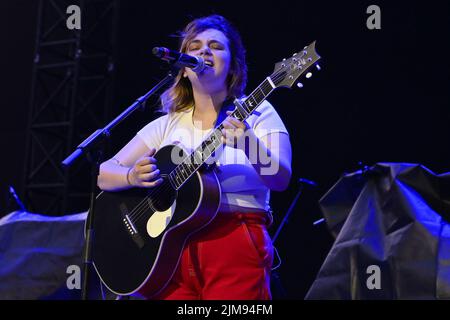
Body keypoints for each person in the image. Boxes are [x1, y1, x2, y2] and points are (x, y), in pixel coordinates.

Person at [97, 14, 292, 300]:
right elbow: (104, 173)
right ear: (184, 68)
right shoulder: (167, 124)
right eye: (195, 46)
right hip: (169, 251)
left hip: (234, 242)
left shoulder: (259, 114)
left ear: (232, 65)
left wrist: (249, 143)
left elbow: (280, 178)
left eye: (216, 46)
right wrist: (131, 175)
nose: (204, 51)